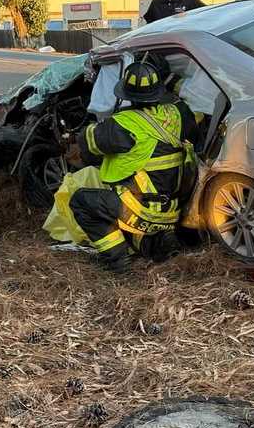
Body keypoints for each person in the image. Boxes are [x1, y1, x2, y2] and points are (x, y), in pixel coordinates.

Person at [69, 60, 198, 273]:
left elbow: (89, 145)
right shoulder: (178, 114)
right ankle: (157, 244)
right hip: (172, 212)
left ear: (126, 94)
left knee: (82, 201)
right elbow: (193, 128)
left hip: (140, 210)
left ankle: (118, 263)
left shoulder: (123, 123)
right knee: (132, 229)